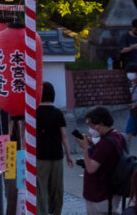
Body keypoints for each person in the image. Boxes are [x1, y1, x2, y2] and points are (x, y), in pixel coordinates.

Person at [35, 81, 74, 215]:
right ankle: (56, 212)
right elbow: (64, 136)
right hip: (57, 155)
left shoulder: (34, 113)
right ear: (52, 95)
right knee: (56, 187)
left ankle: (43, 212)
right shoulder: (58, 113)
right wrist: (68, 155)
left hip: (40, 155)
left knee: (41, 187)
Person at [79, 106, 125, 215]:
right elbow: (105, 157)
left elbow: (91, 168)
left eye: (90, 125)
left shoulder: (105, 144)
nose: (89, 129)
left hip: (100, 196)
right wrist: (93, 146)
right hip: (110, 192)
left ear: (100, 125)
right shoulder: (116, 135)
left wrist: (85, 148)